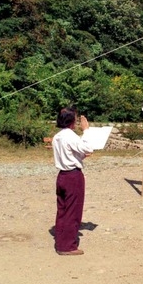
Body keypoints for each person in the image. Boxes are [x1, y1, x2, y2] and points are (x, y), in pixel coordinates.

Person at [52, 107, 93, 255]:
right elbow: (88, 146)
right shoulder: (70, 136)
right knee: (72, 211)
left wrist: (81, 156)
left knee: (62, 210)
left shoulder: (57, 137)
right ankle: (67, 246)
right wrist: (86, 131)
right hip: (72, 176)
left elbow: (69, 154)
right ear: (71, 121)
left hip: (62, 175)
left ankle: (61, 241)